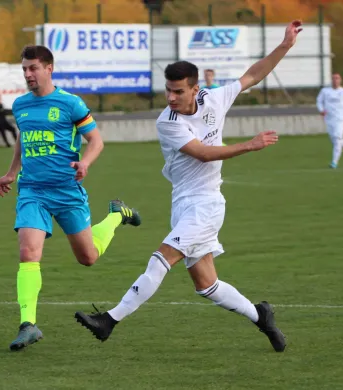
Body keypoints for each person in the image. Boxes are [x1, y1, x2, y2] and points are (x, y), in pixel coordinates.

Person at [74, 20, 303, 353]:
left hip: (207, 204)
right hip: (182, 203)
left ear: (196, 89)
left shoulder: (214, 99)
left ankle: (109, 320)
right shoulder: (168, 122)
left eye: (178, 91)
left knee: (160, 259)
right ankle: (261, 315)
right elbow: (203, 153)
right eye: (168, 90)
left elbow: (252, 75)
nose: (170, 97)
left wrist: (284, 46)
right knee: (206, 285)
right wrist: (248, 145)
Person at [0, 45, 142, 351]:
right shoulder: (20, 105)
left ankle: (116, 214)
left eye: (33, 68)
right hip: (32, 190)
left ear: (49, 68)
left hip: (66, 190)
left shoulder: (70, 104)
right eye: (24, 69)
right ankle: (28, 324)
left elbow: (96, 140)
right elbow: (23, 137)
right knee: (28, 252)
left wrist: (85, 163)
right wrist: (11, 172)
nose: (27, 74)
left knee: (88, 257)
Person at [316, 73, 343, 169]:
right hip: (329, 119)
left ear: (340, 80)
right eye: (333, 78)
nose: (335, 80)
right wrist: (321, 110)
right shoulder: (325, 91)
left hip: (341, 118)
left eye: (337, 78)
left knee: (337, 139)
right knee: (334, 140)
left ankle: (334, 162)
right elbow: (319, 101)